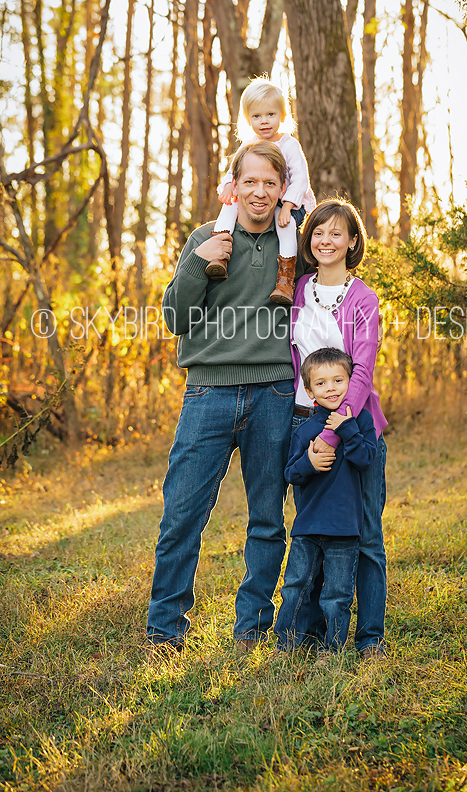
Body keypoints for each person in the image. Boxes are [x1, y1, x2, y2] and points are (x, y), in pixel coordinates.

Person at [147, 139, 297, 653]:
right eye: (250, 181)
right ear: (234, 186)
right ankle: (166, 630)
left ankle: (252, 626)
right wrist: (197, 262)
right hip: (208, 392)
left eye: (270, 183)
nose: (259, 192)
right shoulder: (206, 237)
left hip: (274, 393)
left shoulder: (292, 245)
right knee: (182, 513)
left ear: (282, 191)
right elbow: (175, 318)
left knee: (267, 518)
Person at [289, 198, 389, 659]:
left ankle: (369, 639)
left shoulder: (363, 301)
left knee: (365, 536)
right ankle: (307, 636)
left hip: (354, 428)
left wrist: (331, 434)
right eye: (317, 233)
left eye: (336, 233)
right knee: (312, 533)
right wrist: (307, 438)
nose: (325, 241)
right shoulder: (297, 290)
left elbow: (363, 373)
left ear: (352, 241)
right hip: (306, 424)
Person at [274, 348, 377, 651]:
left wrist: (347, 430)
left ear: (351, 382)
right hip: (307, 526)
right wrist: (308, 462)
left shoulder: (362, 421)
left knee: (336, 594)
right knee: (296, 588)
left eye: (337, 380)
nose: (330, 388)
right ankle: (287, 646)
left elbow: (366, 459)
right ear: (309, 391)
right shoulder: (306, 430)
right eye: (321, 384)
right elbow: (291, 473)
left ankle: (331, 651)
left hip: (345, 528)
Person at [206, 78, 316, 306]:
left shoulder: (289, 145)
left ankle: (285, 279)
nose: (264, 122)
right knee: (229, 205)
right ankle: (219, 254)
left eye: (270, 115)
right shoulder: (249, 144)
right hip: (259, 200)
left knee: (283, 225)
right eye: (256, 116)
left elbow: (301, 180)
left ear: (282, 116)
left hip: (288, 203)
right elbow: (234, 171)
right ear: (248, 119)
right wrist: (228, 185)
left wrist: (287, 206)